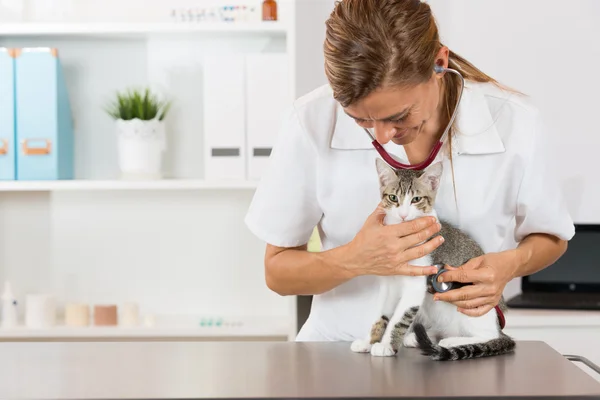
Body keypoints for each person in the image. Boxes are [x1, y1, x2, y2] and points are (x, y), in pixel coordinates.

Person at [244, 0, 575, 342]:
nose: (383, 135)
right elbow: (277, 271)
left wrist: (507, 266)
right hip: (341, 351)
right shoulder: (310, 120)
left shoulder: (514, 121)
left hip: (460, 351)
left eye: (399, 116)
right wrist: (353, 260)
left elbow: (552, 236)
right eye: (360, 120)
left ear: (439, 64)